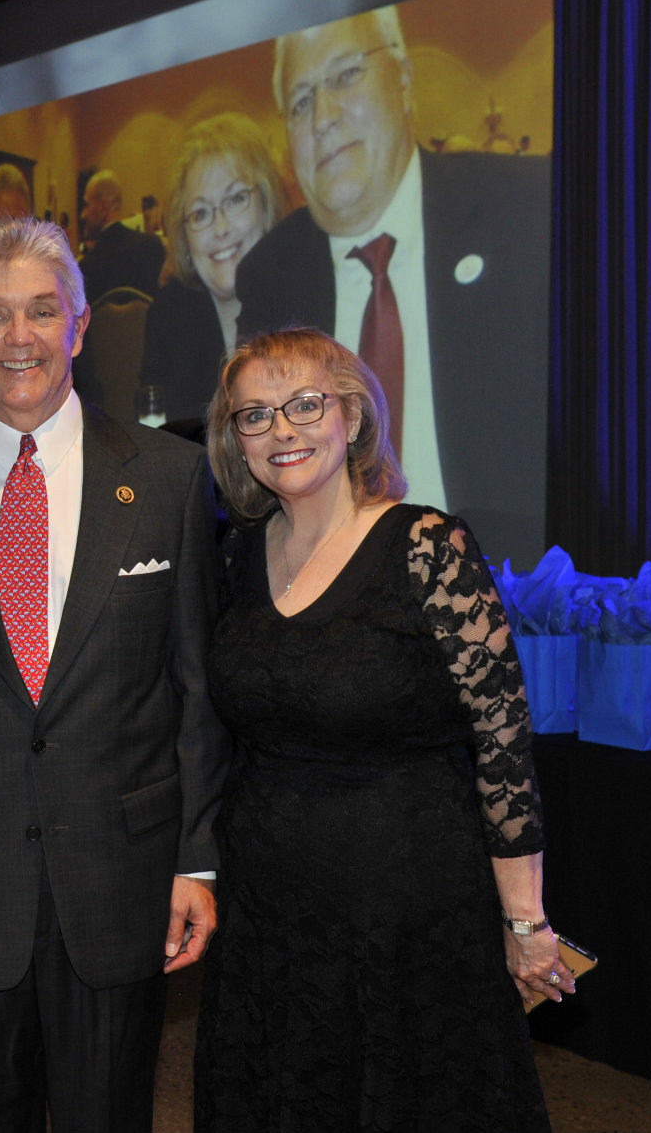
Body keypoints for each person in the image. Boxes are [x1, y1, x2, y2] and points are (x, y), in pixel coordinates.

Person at [0, 218, 228, 1132]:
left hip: (122, 878)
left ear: (77, 325)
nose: (17, 337)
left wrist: (197, 855)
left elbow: (196, 688)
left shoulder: (172, 477)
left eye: (40, 311)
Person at [194, 326, 567, 1132]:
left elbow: (503, 744)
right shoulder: (236, 555)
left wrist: (525, 922)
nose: (281, 430)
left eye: (303, 405)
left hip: (407, 917)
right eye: (254, 416)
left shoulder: (429, 547)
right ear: (236, 442)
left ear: (353, 418)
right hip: (269, 916)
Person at [233, 5, 549, 560]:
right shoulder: (271, 274)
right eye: (301, 101)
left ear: (403, 81)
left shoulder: (526, 211)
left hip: (520, 592)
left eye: (346, 75)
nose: (322, 116)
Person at [137, 114, 285, 423]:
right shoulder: (168, 316)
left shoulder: (307, 293)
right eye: (201, 213)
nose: (221, 228)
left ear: (266, 204)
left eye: (235, 199)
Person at [78, 169, 166, 303]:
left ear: (103, 207)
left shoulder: (86, 270)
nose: (82, 215)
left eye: (86, 206)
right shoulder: (155, 248)